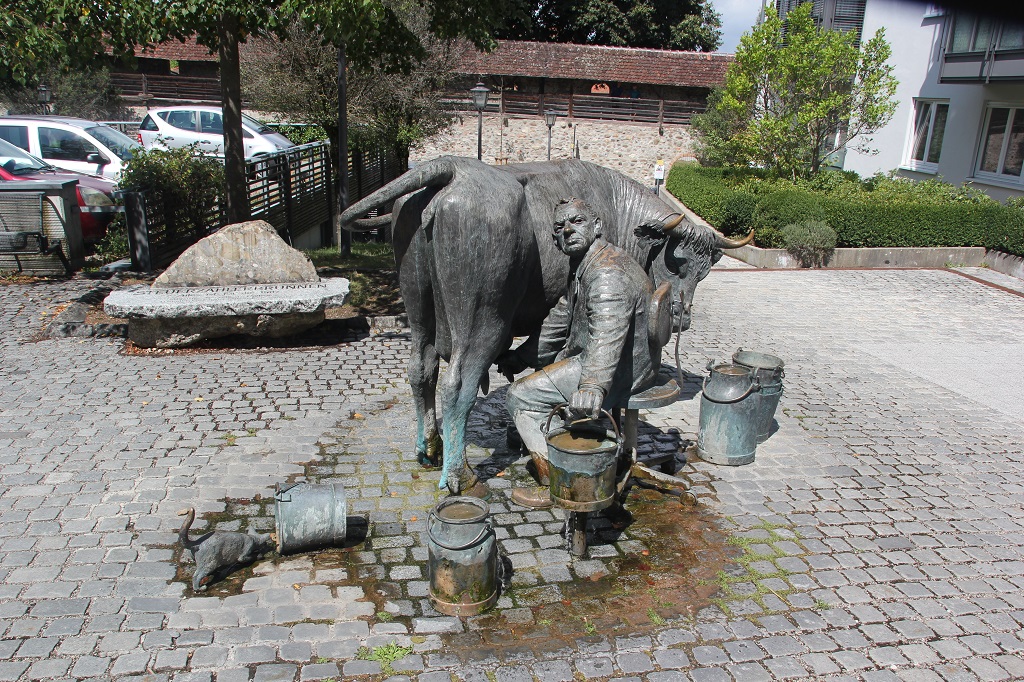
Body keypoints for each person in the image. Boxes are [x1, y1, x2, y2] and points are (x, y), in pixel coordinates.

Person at [497, 198, 660, 508]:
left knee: (520, 396)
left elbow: (607, 336)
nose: (568, 230)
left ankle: (563, 479)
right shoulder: (585, 265)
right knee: (547, 369)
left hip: (625, 369)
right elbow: (558, 322)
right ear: (556, 239)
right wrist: (521, 357)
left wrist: (592, 386)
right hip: (621, 359)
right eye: (560, 227)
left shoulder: (606, 274)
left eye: (577, 222)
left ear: (597, 226)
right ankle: (554, 441)